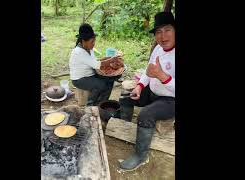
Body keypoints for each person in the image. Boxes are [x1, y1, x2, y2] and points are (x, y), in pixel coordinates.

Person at [119, 12, 175, 171]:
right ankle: (124, 127)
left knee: (146, 114)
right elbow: (148, 71)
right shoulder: (158, 48)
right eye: (158, 32)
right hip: (153, 92)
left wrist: (162, 76)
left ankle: (141, 155)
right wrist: (139, 86)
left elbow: (158, 74)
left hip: (171, 100)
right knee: (125, 97)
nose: (163, 36)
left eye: (167, 30)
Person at [69, 23, 122, 106]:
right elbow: (97, 65)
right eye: (92, 42)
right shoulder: (79, 52)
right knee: (102, 85)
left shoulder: (88, 48)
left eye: (94, 41)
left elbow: (93, 61)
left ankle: (102, 103)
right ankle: (91, 104)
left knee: (110, 81)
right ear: (83, 41)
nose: (94, 44)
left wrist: (106, 58)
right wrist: (111, 59)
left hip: (89, 75)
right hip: (79, 79)